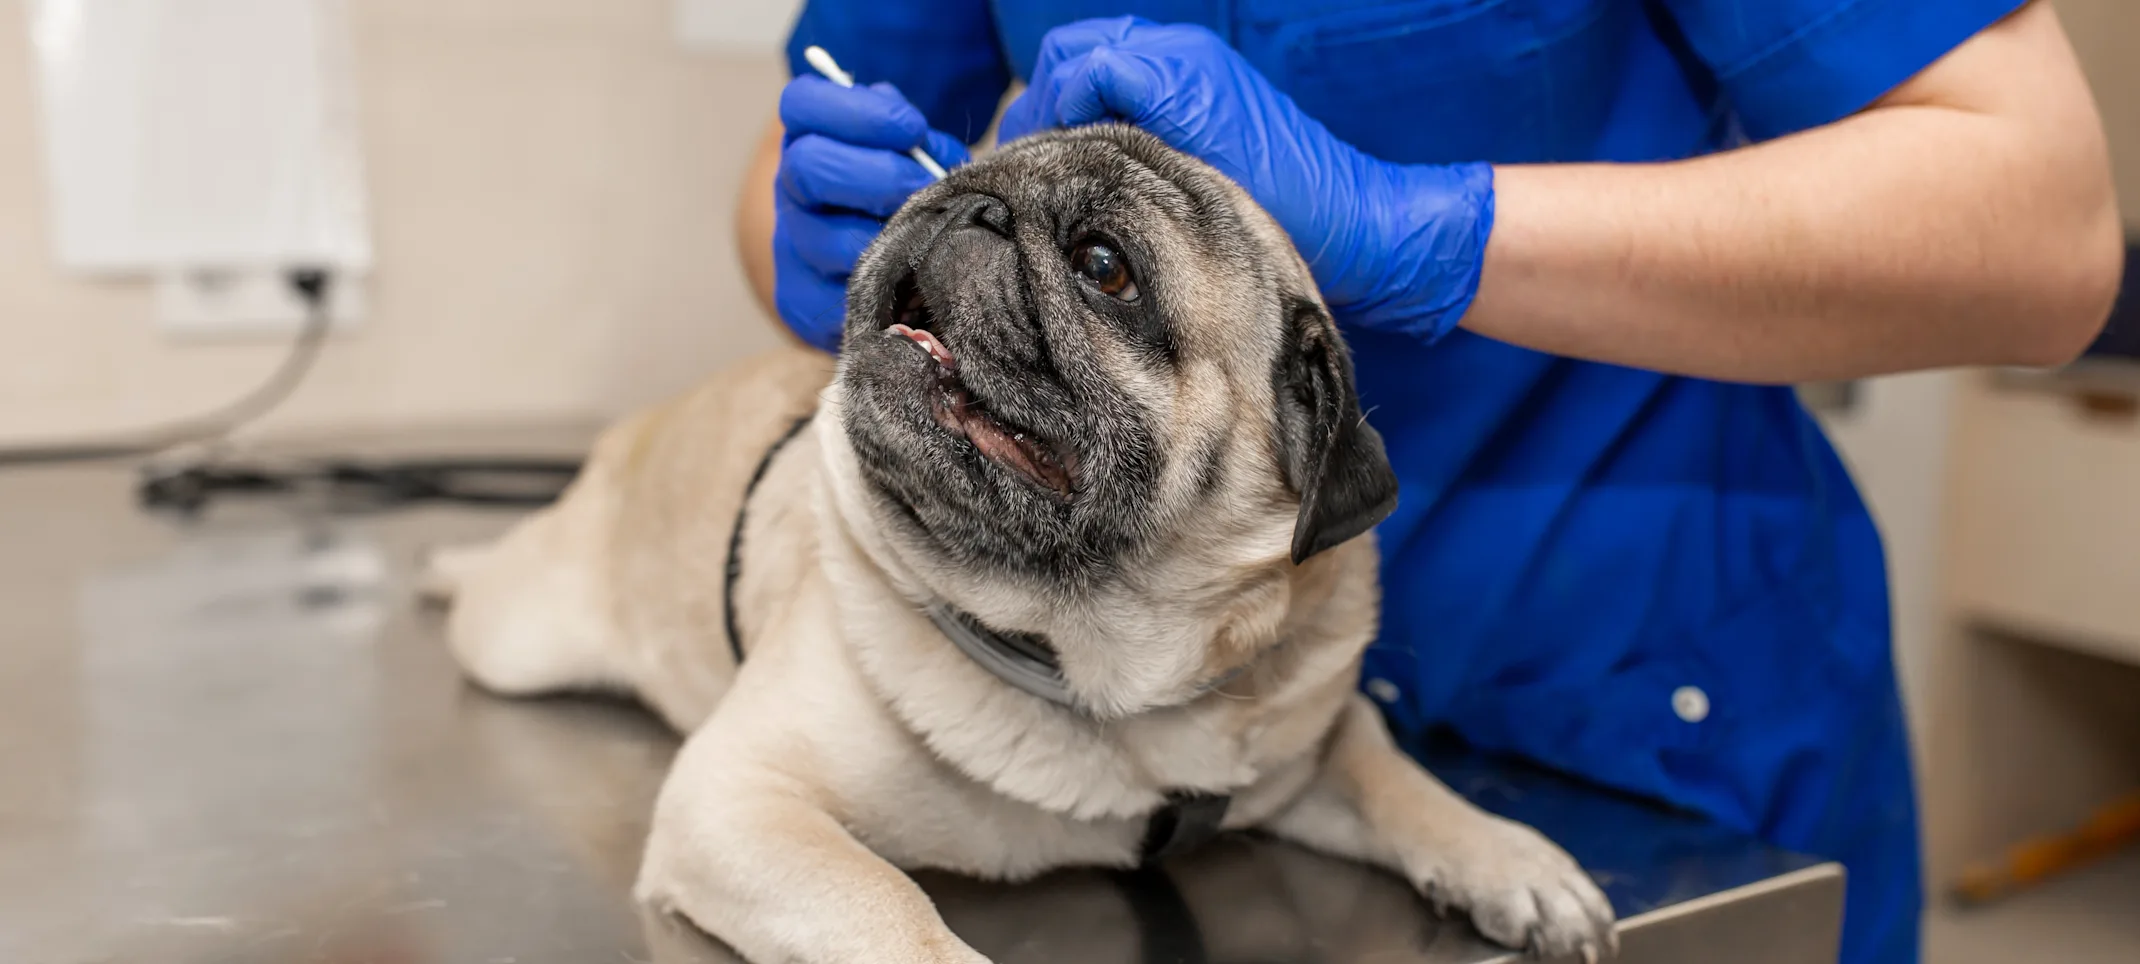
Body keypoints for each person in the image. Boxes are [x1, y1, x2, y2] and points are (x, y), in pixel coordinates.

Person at [732, 2, 2123, 962]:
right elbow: (807, 136)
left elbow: (2042, 232)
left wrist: (1434, 232)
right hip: (1122, 735)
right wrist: (811, 229)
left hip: (1635, 689)